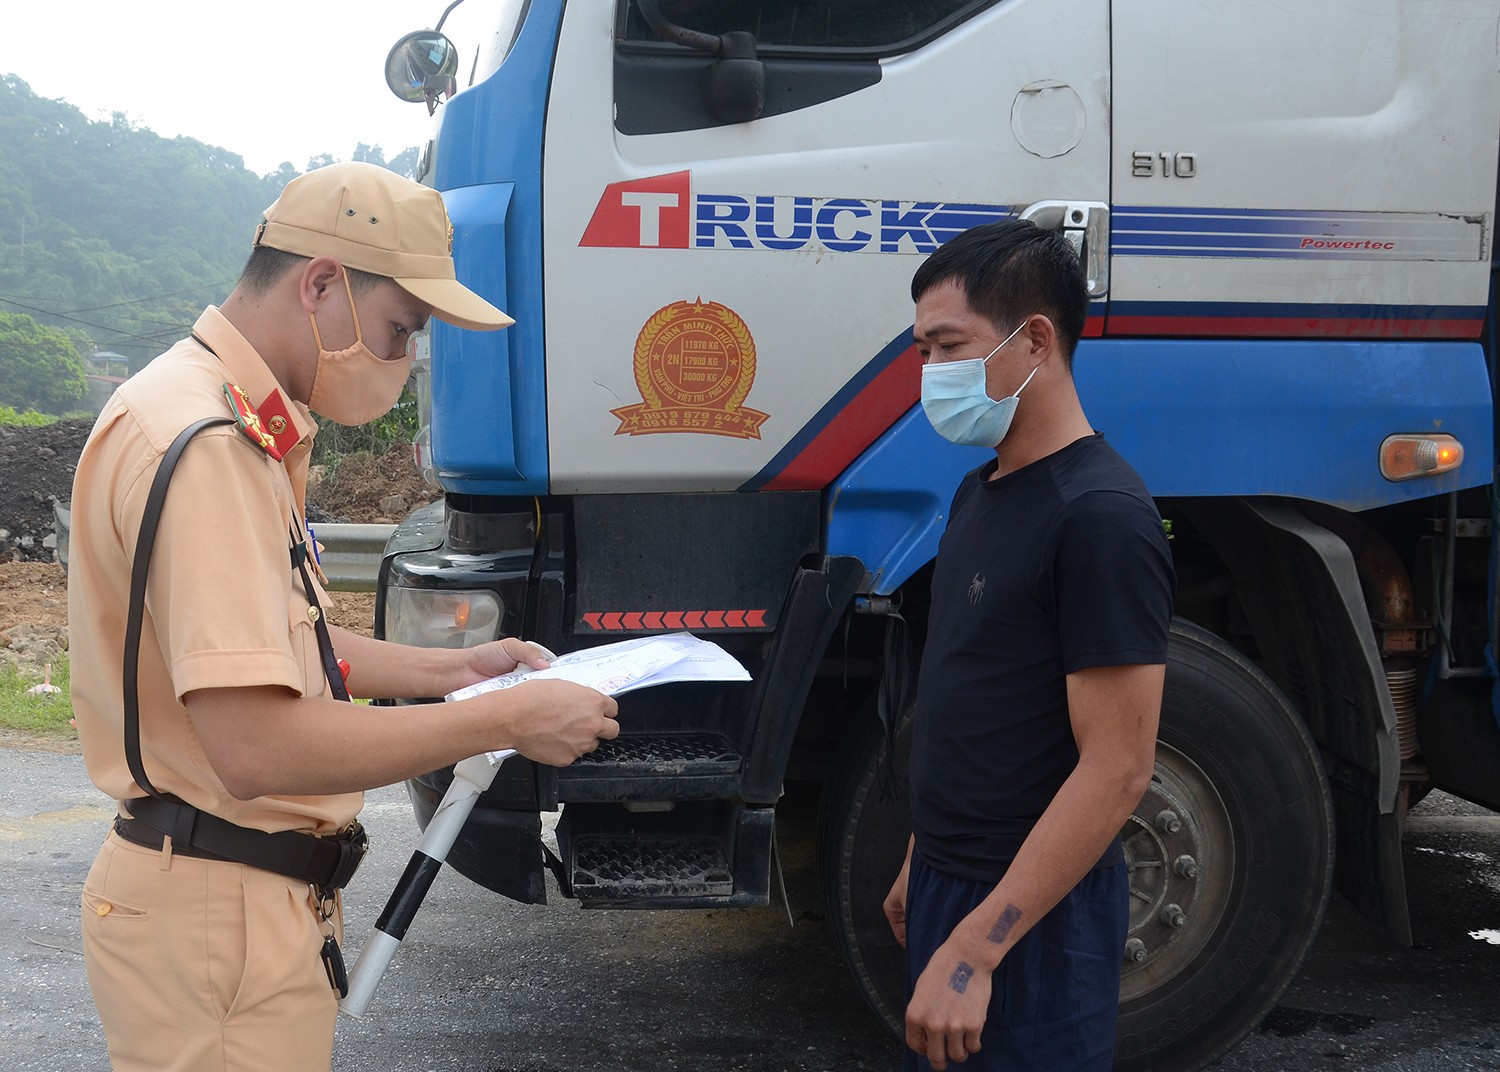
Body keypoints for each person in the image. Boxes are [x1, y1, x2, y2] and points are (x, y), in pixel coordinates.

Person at [67, 162, 620, 1072]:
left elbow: (288, 648)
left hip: (223, 906)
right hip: (219, 919)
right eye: (402, 329)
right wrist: (502, 720)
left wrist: (457, 672)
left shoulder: (214, 416)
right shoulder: (208, 446)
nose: (405, 361)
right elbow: (259, 746)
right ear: (321, 282)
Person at [883, 219, 1175, 1071]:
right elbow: (967, 694)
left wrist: (979, 946)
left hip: (1031, 919)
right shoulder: (984, 491)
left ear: (1035, 340)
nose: (931, 374)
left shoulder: (1100, 518)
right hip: (952, 882)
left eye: (949, 347)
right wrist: (921, 854)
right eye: (922, 350)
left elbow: (1118, 767)